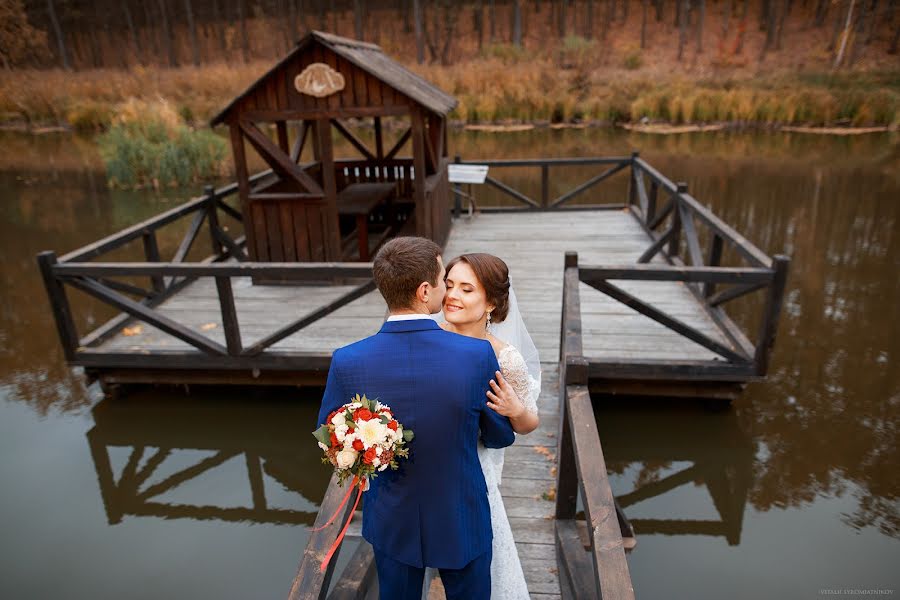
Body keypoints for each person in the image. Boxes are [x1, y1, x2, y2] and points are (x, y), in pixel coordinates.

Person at [316, 237, 515, 600]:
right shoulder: (476, 355)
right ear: (425, 291)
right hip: (461, 516)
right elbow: (500, 436)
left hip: (393, 520)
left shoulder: (347, 360)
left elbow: (332, 441)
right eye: (443, 280)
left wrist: (371, 447)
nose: (446, 289)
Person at [423, 252, 542, 600]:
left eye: (466, 289)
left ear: (490, 302)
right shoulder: (428, 339)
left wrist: (514, 408)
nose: (453, 296)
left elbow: (529, 424)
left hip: (476, 473)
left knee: (479, 567)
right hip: (425, 470)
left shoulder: (505, 357)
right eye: (449, 286)